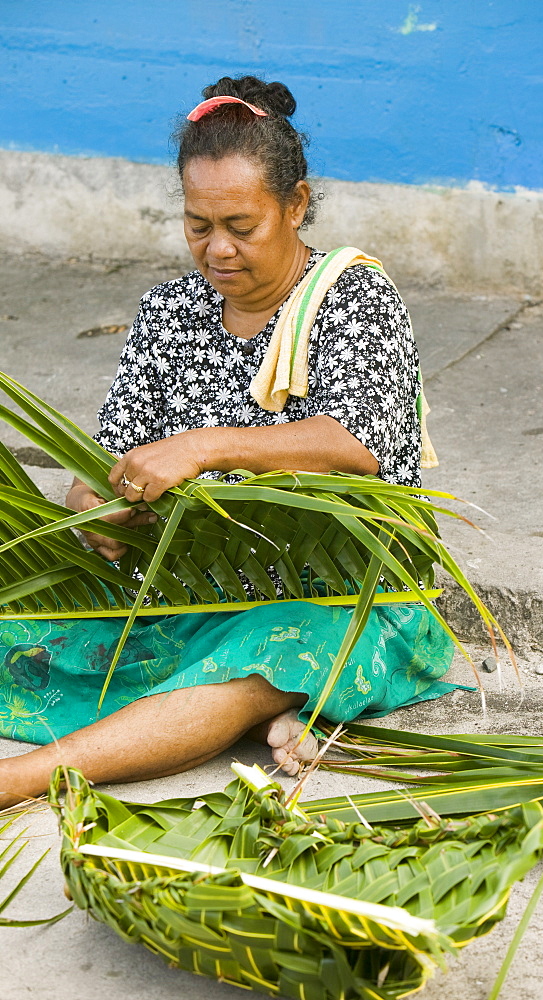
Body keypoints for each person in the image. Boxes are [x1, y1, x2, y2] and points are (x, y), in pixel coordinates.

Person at [0, 76, 460, 809]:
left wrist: (206, 446)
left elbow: (355, 443)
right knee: (29, 636)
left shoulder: (353, 296)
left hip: (349, 598)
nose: (217, 249)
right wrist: (101, 508)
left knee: (265, 650)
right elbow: (103, 462)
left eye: (241, 226)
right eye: (197, 225)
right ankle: (270, 714)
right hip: (197, 597)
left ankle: (25, 777)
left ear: (296, 204)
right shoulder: (170, 311)